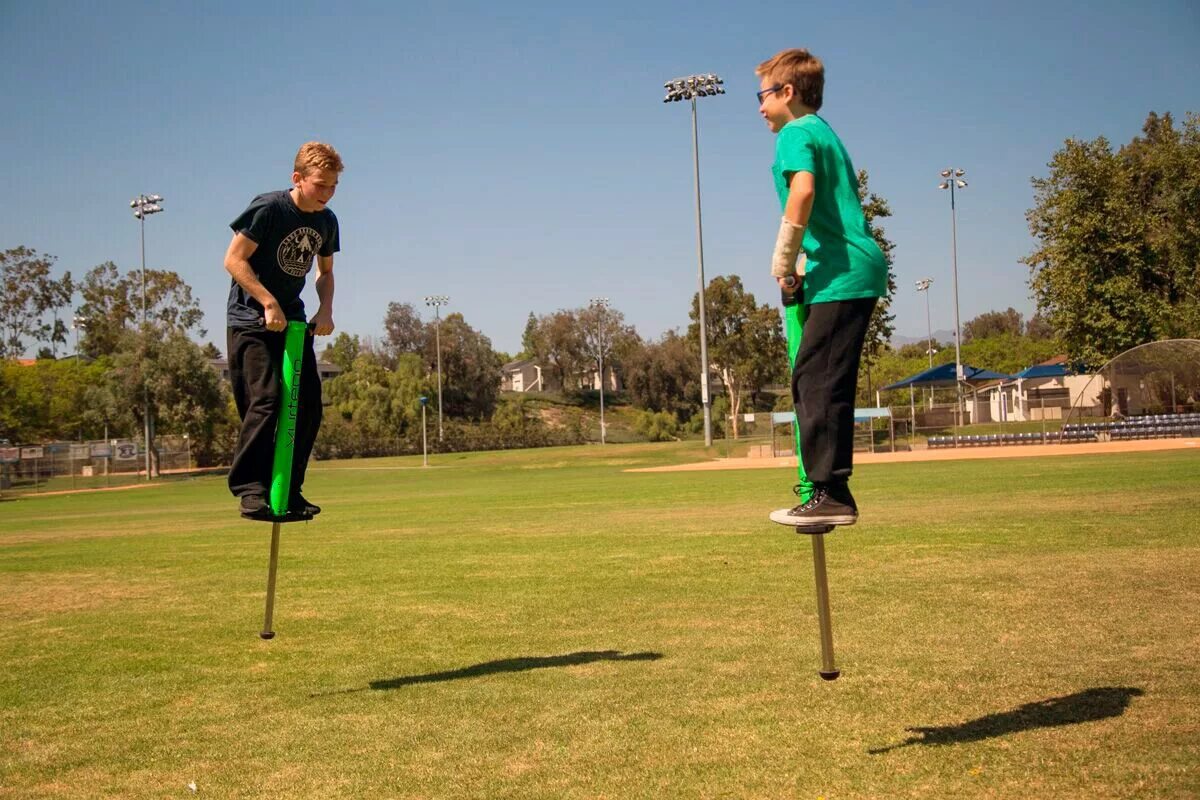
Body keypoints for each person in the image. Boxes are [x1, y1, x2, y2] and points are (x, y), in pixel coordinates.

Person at [757, 49, 887, 526]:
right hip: (838, 270)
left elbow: (804, 191)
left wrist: (783, 256)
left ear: (787, 93)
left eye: (763, 95)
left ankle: (830, 491)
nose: (760, 107)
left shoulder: (795, 133)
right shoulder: (824, 132)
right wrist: (804, 268)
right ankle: (829, 491)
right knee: (820, 378)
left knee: (817, 379)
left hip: (844, 274)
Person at [223, 142, 342, 520]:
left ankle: (289, 489)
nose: (327, 193)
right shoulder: (269, 208)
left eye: (333, 186)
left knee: (307, 406)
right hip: (251, 321)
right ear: (298, 178)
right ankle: (251, 490)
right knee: (268, 400)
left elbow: (324, 273)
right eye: (320, 185)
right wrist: (266, 300)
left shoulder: (326, 221)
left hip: (292, 322)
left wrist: (325, 308)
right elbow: (233, 260)